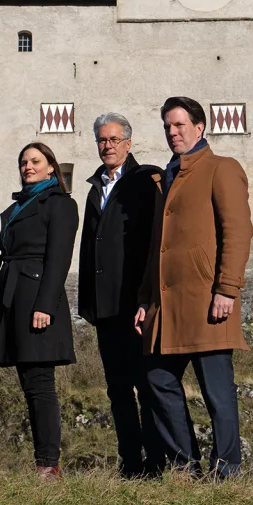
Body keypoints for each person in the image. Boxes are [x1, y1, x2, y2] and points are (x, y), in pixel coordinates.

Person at [134, 96, 253, 480]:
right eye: (167, 126)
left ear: (199, 127)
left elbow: (238, 231)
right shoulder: (167, 177)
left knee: (217, 392)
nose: (172, 132)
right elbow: (157, 246)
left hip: (207, 300)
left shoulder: (221, 168)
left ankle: (227, 471)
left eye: (179, 125)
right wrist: (145, 299)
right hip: (166, 306)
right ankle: (184, 466)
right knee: (157, 379)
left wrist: (227, 289)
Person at [0, 142, 79, 478]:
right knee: (29, 383)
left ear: (51, 167)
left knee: (40, 383)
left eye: (35, 161)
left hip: (38, 298)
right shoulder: (19, 206)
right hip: (15, 296)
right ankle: (44, 462)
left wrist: (45, 305)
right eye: (23, 162)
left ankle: (49, 465)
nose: (28, 166)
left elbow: (59, 258)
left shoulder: (60, 204)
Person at [78, 113, 164, 478]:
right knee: (117, 389)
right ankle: (131, 463)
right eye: (102, 140)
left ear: (128, 143)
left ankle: (156, 463)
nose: (107, 146)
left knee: (146, 385)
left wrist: (148, 297)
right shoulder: (94, 187)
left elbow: (154, 242)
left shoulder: (145, 180)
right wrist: (88, 303)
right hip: (105, 306)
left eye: (114, 139)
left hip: (134, 303)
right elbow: (89, 247)